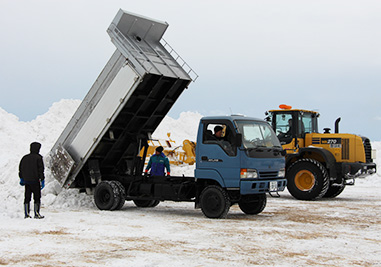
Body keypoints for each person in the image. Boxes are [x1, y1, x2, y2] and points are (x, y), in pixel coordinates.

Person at [19, 142, 45, 219]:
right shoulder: (39, 158)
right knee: (37, 197)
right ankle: (36, 213)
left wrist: (22, 178)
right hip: (35, 181)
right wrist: (42, 180)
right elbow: (41, 170)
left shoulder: (25, 158)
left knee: (27, 197)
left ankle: (26, 214)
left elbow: (21, 169)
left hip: (27, 181)